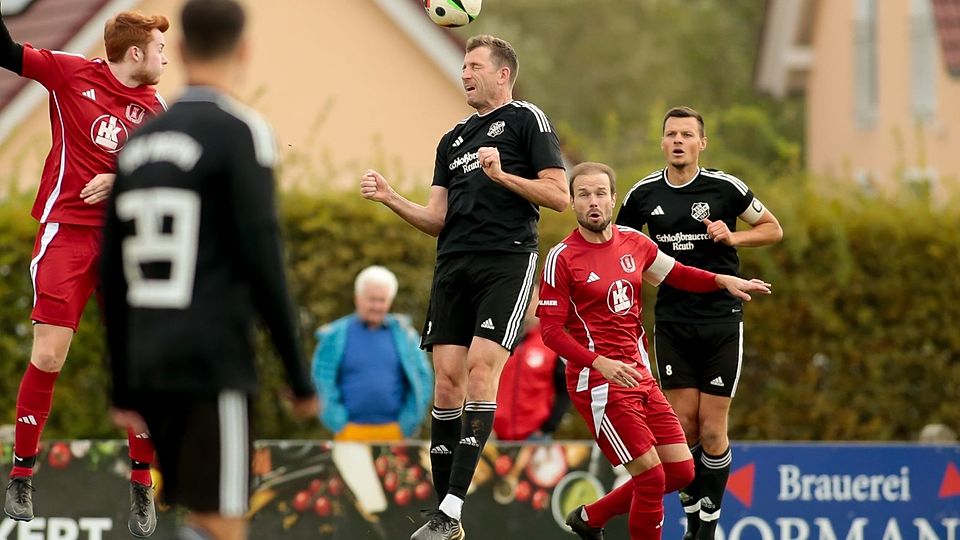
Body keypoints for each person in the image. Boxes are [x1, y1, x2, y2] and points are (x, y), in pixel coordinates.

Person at [100, 1, 318, 539]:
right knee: (222, 520)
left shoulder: (137, 145)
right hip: (210, 360)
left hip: (152, 361)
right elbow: (263, 257)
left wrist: (123, 386)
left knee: (197, 512)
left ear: (180, 50)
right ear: (243, 50)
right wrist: (298, 375)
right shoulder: (241, 131)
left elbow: (112, 274)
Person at [360, 34, 567, 540]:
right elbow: (436, 218)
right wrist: (391, 198)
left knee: (479, 370)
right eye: (463, 66)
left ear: (502, 74)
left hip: (506, 261)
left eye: (474, 65)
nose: (464, 74)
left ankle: (451, 508)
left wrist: (503, 178)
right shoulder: (451, 139)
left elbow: (558, 195)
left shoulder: (526, 120)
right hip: (452, 265)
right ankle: (442, 516)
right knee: (447, 379)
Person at [0, 4, 169, 535]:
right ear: (135, 52)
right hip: (67, 233)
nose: (166, 56)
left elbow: (170, 181)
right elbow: (6, 53)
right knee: (49, 355)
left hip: (126, 242)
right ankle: (22, 475)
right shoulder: (71, 72)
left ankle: (142, 485)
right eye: (159, 48)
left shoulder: (158, 110)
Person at [538, 162, 771, 539]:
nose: (593, 202)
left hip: (640, 377)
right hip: (598, 383)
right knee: (650, 477)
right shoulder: (562, 257)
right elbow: (550, 332)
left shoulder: (634, 241)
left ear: (614, 199)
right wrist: (601, 363)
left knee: (681, 472)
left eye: (600, 193)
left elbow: (676, 273)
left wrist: (720, 280)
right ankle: (595, 518)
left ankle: (591, 517)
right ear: (572, 202)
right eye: (583, 195)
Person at [615, 107, 783, 539]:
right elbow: (621, 248)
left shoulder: (725, 188)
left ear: (701, 143)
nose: (678, 141)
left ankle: (708, 523)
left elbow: (772, 228)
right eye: (671, 134)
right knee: (682, 426)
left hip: (721, 318)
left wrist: (734, 236)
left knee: (712, 427)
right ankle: (695, 520)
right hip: (672, 317)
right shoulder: (643, 194)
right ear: (662, 142)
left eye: (687, 134)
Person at [312, 265, 433, 441]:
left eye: (382, 300)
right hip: (349, 432)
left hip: (395, 432)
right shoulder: (335, 335)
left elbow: (423, 378)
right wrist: (337, 421)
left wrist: (407, 423)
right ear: (357, 298)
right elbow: (322, 379)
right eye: (371, 299)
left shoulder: (405, 335)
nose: (376, 306)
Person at [493, 283, 569, 441]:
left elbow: (567, 390)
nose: (525, 304)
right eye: (521, 298)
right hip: (495, 438)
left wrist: (548, 426)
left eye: (530, 299)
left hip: (536, 439)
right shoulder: (497, 342)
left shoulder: (552, 343)